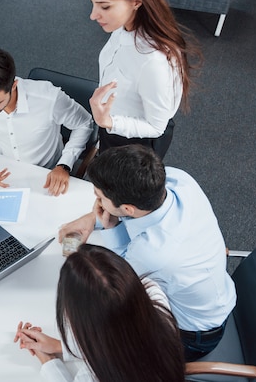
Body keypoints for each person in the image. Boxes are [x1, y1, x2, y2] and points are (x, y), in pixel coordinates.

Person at [59, 145, 236, 360]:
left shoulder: (153, 254)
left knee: (105, 341)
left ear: (128, 209)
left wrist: (106, 231)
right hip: (218, 296)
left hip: (193, 336)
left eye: (99, 196)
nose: (96, 200)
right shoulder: (178, 180)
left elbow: (116, 283)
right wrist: (90, 219)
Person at [14, 245, 185, 382]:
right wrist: (59, 347)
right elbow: (120, 333)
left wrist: (48, 361)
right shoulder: (153, 294)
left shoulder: (92, 376)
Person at [86, 0, 201, 158]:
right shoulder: (122, 27)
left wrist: (109, 122)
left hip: (134, 145)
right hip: (110, 125)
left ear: (136, 1)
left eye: (105, 6)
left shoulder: (154, 61)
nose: (93, 15)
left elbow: (157, 127)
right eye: (93, 3)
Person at [0, 48, 94, 196]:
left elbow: (84, 123)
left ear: (13, 85)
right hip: (6, 173)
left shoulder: (48, 98)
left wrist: (64, 165)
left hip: (47, 175)